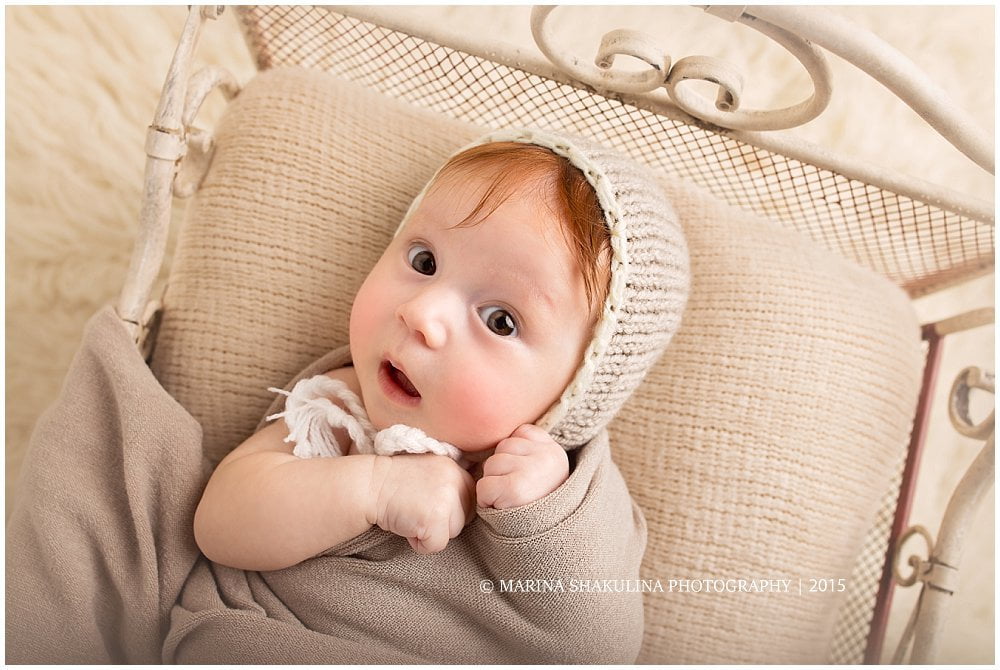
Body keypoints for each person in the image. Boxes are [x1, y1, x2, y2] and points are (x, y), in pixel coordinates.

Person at [7, 127, 689, 664]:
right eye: (423, 262)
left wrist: (540, 520)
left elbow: (599, 645)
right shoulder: (339, 407)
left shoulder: (569, 497)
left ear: (578, 388)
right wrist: (368, 490)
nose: (424, 313)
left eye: (501, 321)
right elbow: (221, 527)